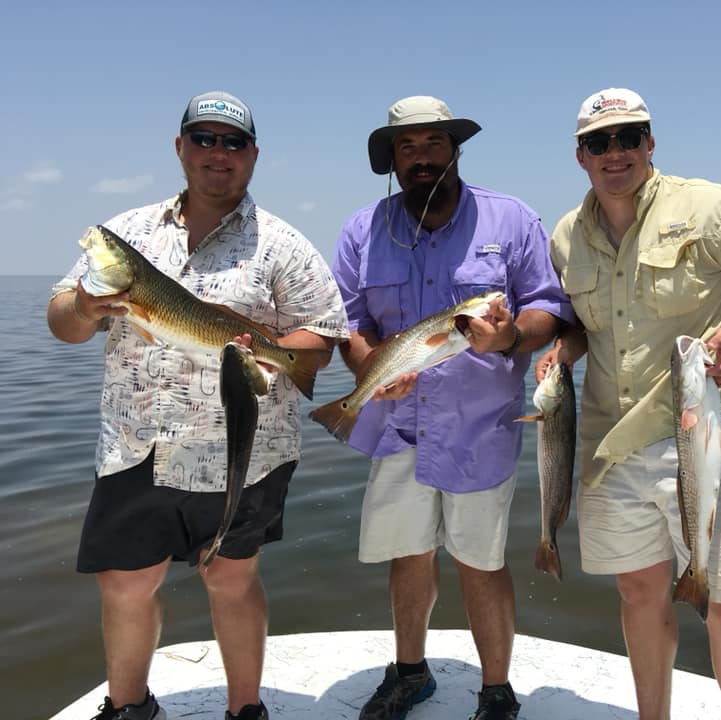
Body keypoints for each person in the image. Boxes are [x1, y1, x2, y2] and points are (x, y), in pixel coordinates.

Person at [47, 91, 349, 720]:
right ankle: (129, 707)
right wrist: (84, 305)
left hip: (244, 450)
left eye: (232, 142)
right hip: (137, 443)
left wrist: (268, 351)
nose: (219, 154)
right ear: (180, 147)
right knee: (125, 583)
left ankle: (246, 709)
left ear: (254, 155)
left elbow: (320, 337)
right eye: (205, 139)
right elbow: (62, 324)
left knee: (231, 579)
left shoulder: (284, 244)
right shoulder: (125, 236)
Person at [537, 88, 721, 720]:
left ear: (650, 143)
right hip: (612, 444)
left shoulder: (713, 206)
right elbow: (582, 325)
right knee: (637, 595)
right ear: (580, 156)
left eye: (629, 137)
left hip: (708, 434)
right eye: (599, 142)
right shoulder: (567, 235)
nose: (615, 152)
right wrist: (562, 351)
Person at [331, 95, 573, 720]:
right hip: (396, 428)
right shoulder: (363, 230)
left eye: (434, 143)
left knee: (482, 563)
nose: (422, 157)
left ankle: (496, 690)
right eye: (407, 147)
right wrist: (368, 371)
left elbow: (547, 307)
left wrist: (512, 336)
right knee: (408, 556)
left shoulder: (511, 220)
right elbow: (348, 323)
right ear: (391, 159)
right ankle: (410, 672)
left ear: (455, 148)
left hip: (480, 431)